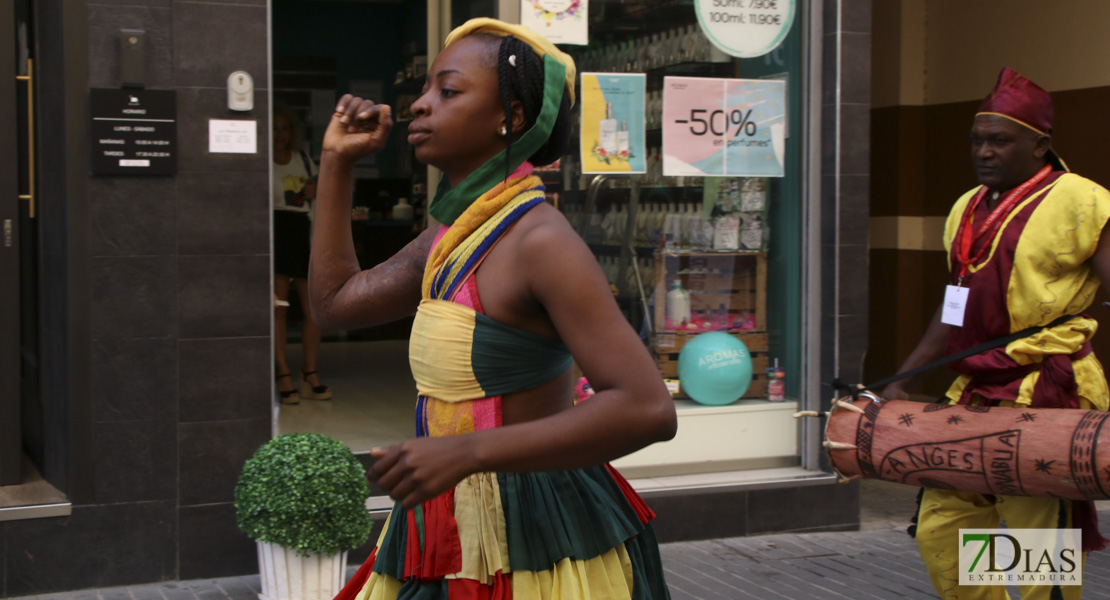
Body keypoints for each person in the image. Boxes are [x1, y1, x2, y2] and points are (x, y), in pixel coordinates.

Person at [309, 18, 677, 599]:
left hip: (538, 535)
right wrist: (336, 165)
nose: (419, 107)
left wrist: (466, 451)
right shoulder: (450, 237)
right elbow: (332, 305)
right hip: (441, 520)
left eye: (448, 91)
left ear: (511, 116)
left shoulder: (541, 242)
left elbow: (648, 408)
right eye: (425, 90)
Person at [882, 67, 1110, 600]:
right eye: (977, 140)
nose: (983, 151)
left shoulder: (1081, 199)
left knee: (1034, 549)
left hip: (1047, 391)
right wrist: (907, 374)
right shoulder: (966, 207)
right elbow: (955, 305)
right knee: (945, 526)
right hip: (975, 391)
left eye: (999, 140)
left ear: (1041, 145)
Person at [272, 104, 331, 404]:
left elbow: (325, 194)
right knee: (278, 309)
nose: (279, 135)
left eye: (284, 128)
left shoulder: (304, 161)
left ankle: (309, 371)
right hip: (274, 235)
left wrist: (314, 191)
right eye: (274, 128)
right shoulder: (260, 163)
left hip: (301, 234)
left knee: (314, 311)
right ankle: (282, 372)